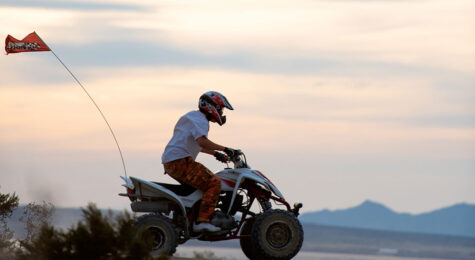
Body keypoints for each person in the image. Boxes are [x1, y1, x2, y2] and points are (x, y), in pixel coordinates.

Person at [161, 91, 238, 232]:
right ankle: (202, 221)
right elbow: (202, 142)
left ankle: (190, 216)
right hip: (180, 161)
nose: (221, 112)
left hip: (171, 161)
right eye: (220, 108)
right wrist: (226, 149)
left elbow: (195, 144)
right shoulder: (201, 121)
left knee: (201, 186)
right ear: (211, 107)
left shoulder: (192, 116)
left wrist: (216, 154)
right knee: (214, 183)